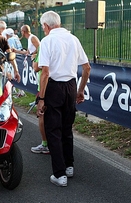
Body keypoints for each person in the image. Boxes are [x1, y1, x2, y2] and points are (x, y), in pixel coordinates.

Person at [36, 11, 91, 187]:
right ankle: (69, 165)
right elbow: (87, 68)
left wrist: (42, 98)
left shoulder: (47, 41)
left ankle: (59, 174)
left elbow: (45, 72)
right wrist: (80, 91)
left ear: (46, 25)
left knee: (53, 130)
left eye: (42, 26)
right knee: (67, 128)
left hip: (54, 87)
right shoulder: (73, 39)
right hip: (71, 85)